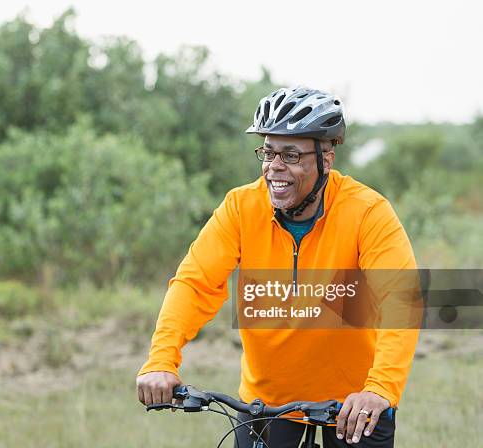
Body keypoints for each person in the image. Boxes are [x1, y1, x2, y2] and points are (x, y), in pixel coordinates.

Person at [136, 86, 420, 447]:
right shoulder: (241, 207)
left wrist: (379, 389)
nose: (274, 167)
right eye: (268, 152)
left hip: (355, 403)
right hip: (267, 401)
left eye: (290, 154)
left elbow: (400, 298)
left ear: (326, 159)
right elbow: (195, 284)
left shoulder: (367, 212)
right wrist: (161, 360)